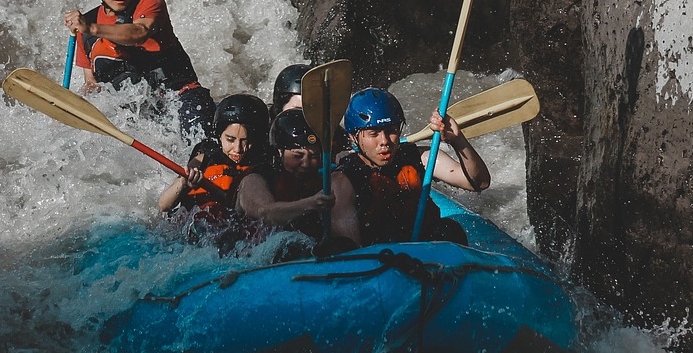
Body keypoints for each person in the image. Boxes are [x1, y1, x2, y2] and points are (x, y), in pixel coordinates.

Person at [63, 0, 214, 140]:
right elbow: (92, 83)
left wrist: (92, 28)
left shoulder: (151, 3)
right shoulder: (86, 31)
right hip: (137, 113)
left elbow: (138, 33)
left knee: (197, 145)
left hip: (181, 98)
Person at [337, 88, 490, 246]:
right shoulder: (344, 180)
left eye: (391, 131)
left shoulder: (418, 157)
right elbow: (351, 248)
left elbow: (479, 182)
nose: (384, 141)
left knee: (449, 230)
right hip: (379, 256)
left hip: (425, 247)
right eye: (373, 134)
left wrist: (457, 140)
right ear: (353, 137)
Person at [236, 109, 356, 253]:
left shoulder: (327, 178)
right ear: (280, 151)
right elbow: (265, 213)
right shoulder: (254, 179)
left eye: (314, 156)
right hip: (249, 256)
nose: (306, 164)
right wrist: (312, 203)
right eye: (297, 156)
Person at [158, 94, 269, 249]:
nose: (238, 149)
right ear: (219, 135)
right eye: (230, 140)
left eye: (247, 142)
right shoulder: (204, 157)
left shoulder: (264, 164)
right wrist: (184, 181)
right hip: (195, 237)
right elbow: (164, 205)